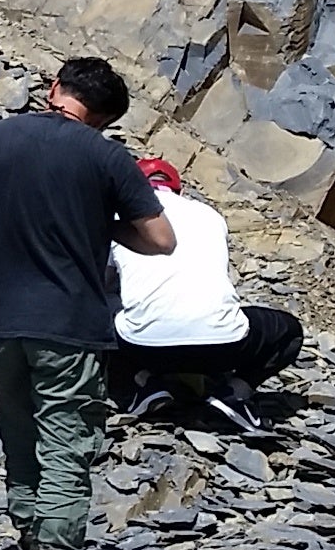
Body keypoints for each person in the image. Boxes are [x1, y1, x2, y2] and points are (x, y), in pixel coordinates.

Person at [0, 56, 177, 550]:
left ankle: (31, 548)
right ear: (104, 117)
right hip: (70, 325)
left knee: (20, 437)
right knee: (66, 450)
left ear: (54, 89)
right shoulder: (105, 156)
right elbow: (160, 239)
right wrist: (99, 221)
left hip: (1, 318)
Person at [109, 157, 304, 434]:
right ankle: (234, 395)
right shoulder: (208, 215)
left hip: (144, 347)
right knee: (288, 329)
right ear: (179, 190)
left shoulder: (120, 216)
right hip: (224, 346)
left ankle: (142, 385)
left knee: (92, 307)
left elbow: (102, 280)